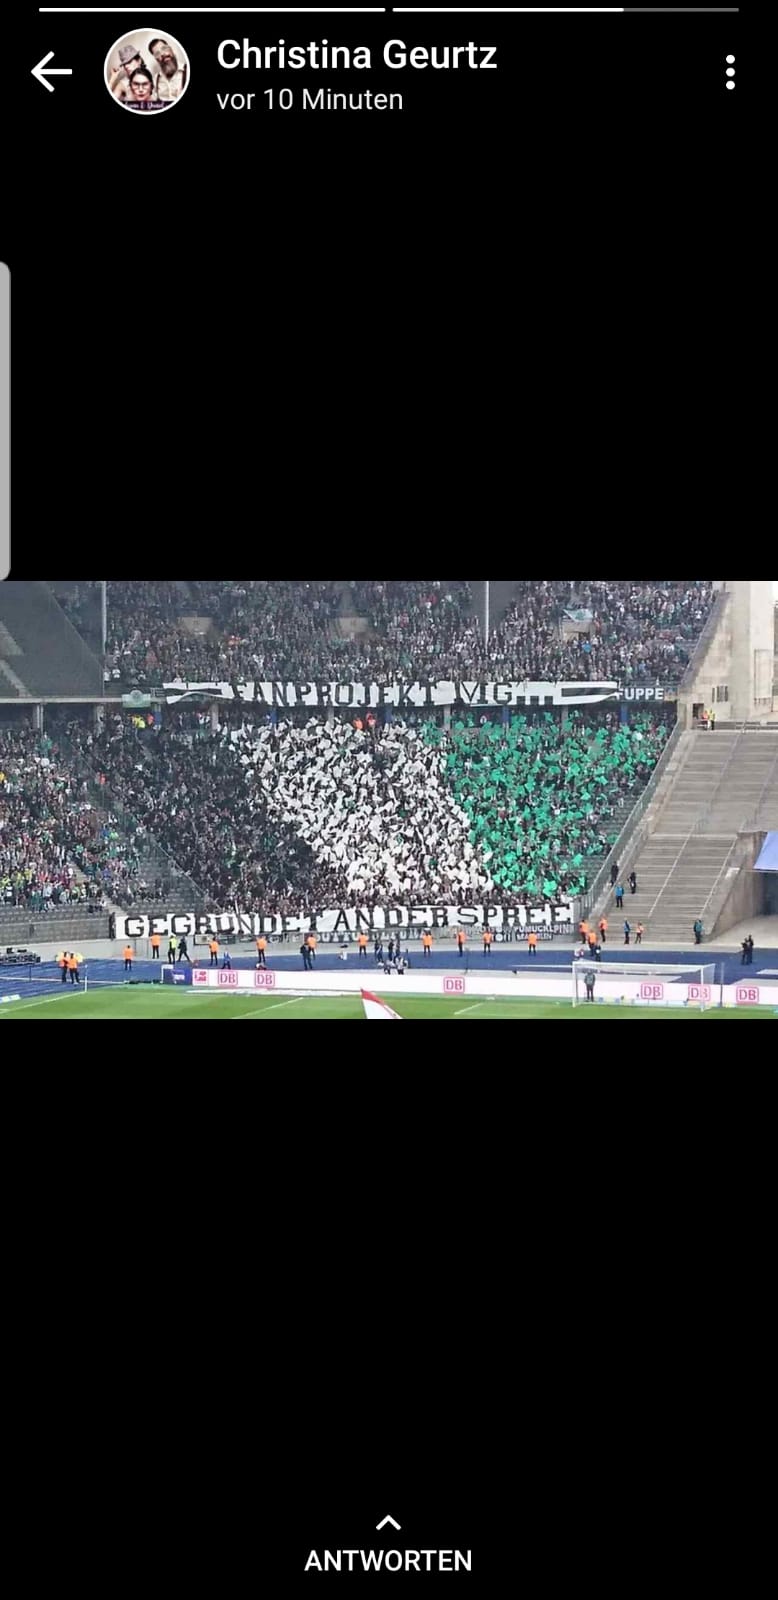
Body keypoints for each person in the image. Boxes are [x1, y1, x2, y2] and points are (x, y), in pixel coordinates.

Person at [148, 36, 188, 101]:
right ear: (157, 59)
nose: (162, 54)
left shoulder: (188, 71)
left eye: (164, 49)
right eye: (157, 53)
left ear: (171, 49)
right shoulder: (155, 80)